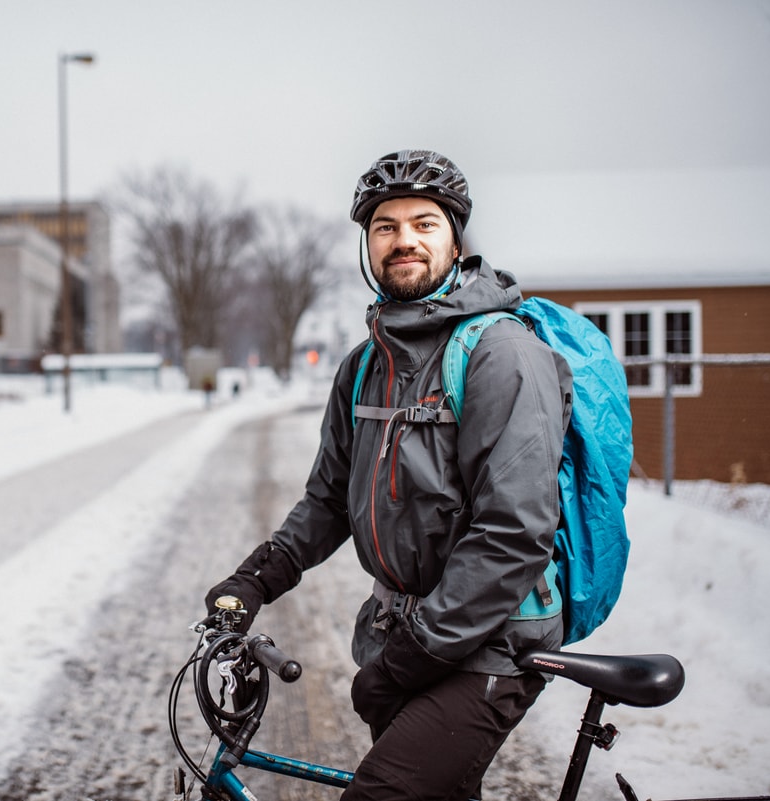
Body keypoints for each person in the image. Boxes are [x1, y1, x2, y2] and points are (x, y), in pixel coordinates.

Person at [204, 149, 572, 801]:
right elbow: (328, 499)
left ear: (456, 240)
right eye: (385, 226)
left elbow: (512, 535)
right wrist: (257, 576)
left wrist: (411, 659)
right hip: (402, 633)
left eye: (424, 223)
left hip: (490, 640)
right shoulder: (364, 365)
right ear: (368, 247)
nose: (403, 239)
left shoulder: (501, 355)